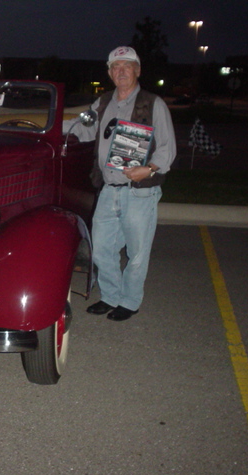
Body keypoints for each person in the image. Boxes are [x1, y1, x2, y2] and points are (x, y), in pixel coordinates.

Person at [66, 46, 177, 321]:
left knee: (137, 253)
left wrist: (149, 169)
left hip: (140, 191)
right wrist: (48, 126)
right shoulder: (103, 102)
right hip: (109, 189)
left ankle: (129, 301)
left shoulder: (153, 104)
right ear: (109, 73)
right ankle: (110, 296)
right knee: (101, 249)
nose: (121, 71)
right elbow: (83, 128)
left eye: (127, 66)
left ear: (137, 71)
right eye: (116, 67)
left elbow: (167, 148)